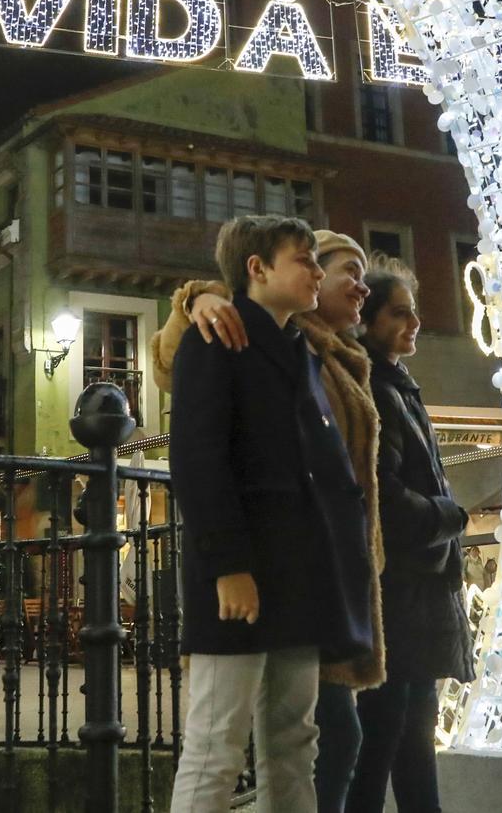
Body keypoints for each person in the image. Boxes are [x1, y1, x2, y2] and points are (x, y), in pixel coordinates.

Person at [156, 230, 384, 812]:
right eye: (303, 260)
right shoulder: (217, 337)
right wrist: (228, 564)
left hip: (298, 576)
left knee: (294, 741)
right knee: (215, 747)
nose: (314, 271)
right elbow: (198, 460)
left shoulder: (299, 350)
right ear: (257, 268)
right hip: (243, 575)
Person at [347, 260, 472, 813]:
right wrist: (450, 516)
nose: (415, 322)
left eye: (414, 311)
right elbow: (385, 497)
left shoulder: (397, 385)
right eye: (400, 312)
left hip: (415, 596)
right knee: (383, 742)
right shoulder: (376, 386)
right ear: (369, 319)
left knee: (410, 742)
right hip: (401, 595)